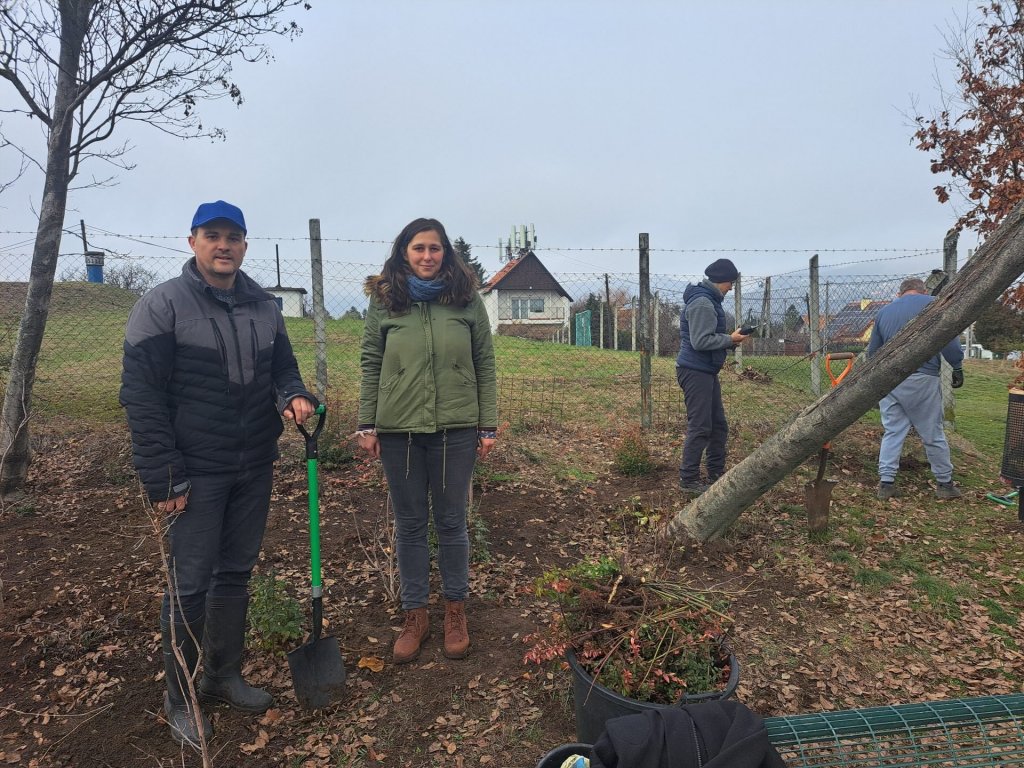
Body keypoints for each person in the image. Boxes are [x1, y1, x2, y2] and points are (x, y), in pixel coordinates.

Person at [120, 200, 316, 746]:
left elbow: (283, 369)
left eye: (233, 237)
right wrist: (164, 475)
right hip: (194, 470)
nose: (223, 245)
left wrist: (293, 395)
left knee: (234, 574)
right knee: (189, 585)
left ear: (245, 245)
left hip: (253, 463)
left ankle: (222, 675)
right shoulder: (162, 305)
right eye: (213, 236)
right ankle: (180, 697)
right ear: (193, 242)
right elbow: (141, 396)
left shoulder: (264, 306)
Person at [356, 217, 497, 664]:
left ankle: (455, 610)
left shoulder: (465, 298)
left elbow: (484, 362)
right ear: (404, 252)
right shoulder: (386, 300)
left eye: (435, 248)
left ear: (445, 252)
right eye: (418, 248)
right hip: (399, 428)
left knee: (452, 522)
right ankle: (415, 614)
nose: (427, 256)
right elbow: (371, 361)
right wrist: (366, 423)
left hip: (457, 426)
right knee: (411, 523)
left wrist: (487, 425)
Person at [867, 276, 964, 501]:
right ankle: (945, 484)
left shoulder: (884, 312)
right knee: (932, 432)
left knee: (893, 431)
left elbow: (873, 352)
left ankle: (886, 483)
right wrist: (957, 365)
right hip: (923, 377)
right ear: (924, 291)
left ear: (900, 293)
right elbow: (949, 338)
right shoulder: (934, 305)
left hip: (890, 380)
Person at [675, 258, 749, 494]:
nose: (731, 288)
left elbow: (706, 337)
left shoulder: (708, 301)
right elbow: (700, 341)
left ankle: (716, 473)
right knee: (700, 426)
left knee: (718, 425)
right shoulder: (703, 303)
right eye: (731, 283)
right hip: (695, 370)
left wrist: (730, 340)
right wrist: (730, 339)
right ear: (722, 280)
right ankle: (689, 480)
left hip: (704, 370)